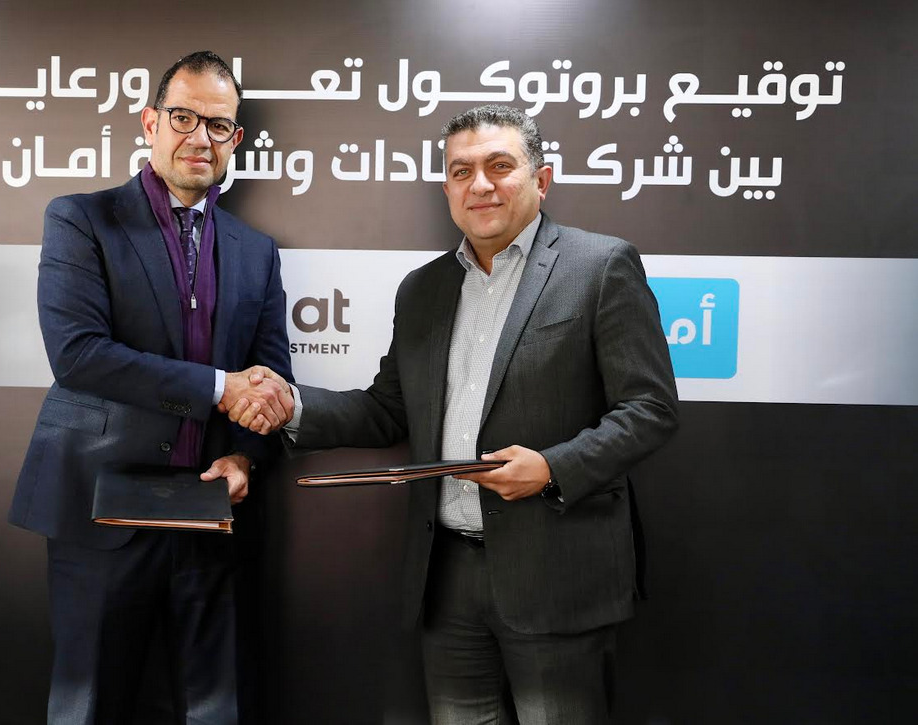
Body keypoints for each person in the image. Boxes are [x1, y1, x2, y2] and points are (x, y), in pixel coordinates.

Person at [231, 104, 679, 724]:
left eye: (500, 166)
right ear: (447, 189)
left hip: (557, 572)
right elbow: (388, 410)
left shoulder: (599, 267)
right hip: (446, 579)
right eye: (461, 171)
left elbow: (650, 408)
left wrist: (552, 469)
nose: (480, 185)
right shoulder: (424, 288)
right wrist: (291, 405)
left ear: (541, 180)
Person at [9, 51, 294, 725]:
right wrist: (220, 388)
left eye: (218, 125)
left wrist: (246, 456)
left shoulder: (256, 250)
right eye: (183, 117)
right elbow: (78, 355)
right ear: (150, 122)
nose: (200, 137)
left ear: (235, 139)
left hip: (210, 514)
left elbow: (269, 376)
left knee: (213, 708)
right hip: (99, 511)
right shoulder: (80, 219)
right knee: (89, 706)